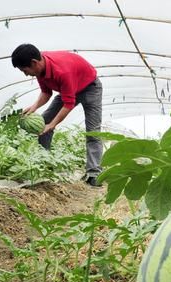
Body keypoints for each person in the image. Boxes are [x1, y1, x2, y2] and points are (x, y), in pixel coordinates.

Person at [11, 44, 103, 187]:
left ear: (34, 63)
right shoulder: (40, 69)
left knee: (93, 132)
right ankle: (45, 164)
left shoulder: (62, 71)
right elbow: (46, 93)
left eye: (25, 70)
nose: (25, 74)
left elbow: (68, 104)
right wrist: (33, 107)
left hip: (90, 88)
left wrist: (52, 125)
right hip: (69, 89)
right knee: (44, 122)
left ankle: (94, 173)